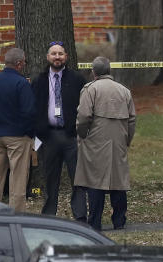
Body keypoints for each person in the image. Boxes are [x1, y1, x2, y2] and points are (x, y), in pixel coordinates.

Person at [75, 56, 137, 231]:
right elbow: (132, 120)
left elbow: (83, 117)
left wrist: (82, 135)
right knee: (118, 180)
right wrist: (127, 140)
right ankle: (119, 220)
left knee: (95, 181)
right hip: (118, 140)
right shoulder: (124, 91)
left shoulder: (90, 89)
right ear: (110, 70)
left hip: (95, 140)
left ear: (93, 72)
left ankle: (95, 222)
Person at [31, 41, 87, 221]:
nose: (57, 57)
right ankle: (49, 216)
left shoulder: (77, 79)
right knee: (50, 178)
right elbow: (33, 108)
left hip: (72, 136)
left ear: (66, 57)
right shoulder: (38, 80)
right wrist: (40, 131)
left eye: (60, 54)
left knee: (77, 178)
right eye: (53, 54)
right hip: (49, 137)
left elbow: (85, 107)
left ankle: (80, 216)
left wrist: (79, 129)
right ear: (48, 57)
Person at [0, 47, 35, 212]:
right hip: (18, 136)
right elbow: (29, 112)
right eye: (24, 62)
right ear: (19, 63)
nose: (24, 64)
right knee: (17, 178)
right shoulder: (22, 83)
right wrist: (29, 133)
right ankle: (15, 214)